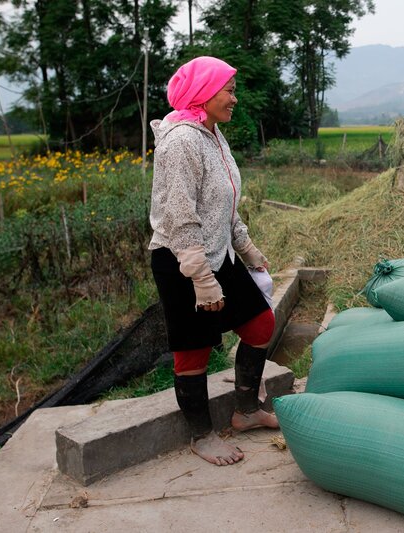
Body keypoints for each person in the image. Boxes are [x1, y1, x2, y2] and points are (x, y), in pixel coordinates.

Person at [149, 56, 278, 466]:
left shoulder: (212, 135)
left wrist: (246, 247)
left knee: (261, 323)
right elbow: (179, 215)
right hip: (183, 262)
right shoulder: (181, 142)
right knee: (194, 350)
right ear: (203, 94)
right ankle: (202, 435)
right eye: (229, 89)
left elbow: (223, 204)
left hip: (218, 253)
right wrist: (202, 279)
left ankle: (245, 410)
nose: (234, 98)